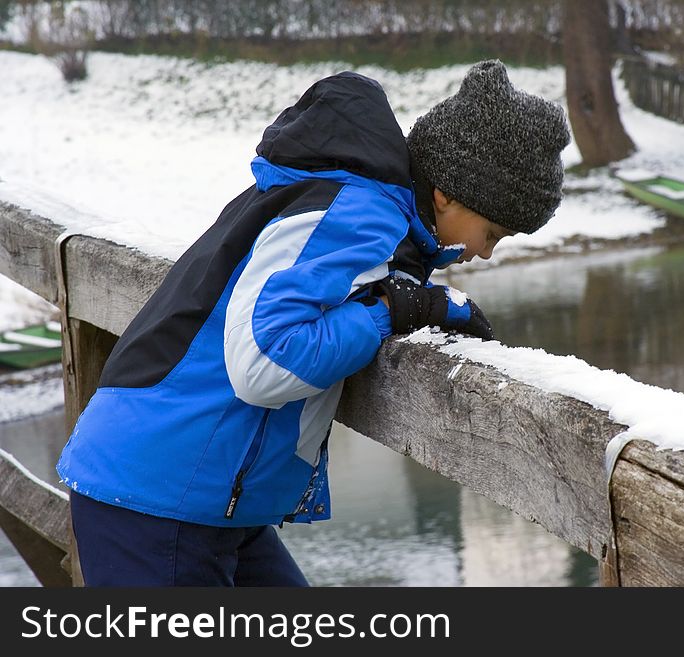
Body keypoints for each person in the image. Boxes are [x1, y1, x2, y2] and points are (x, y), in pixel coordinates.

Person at [56, 59, 570, 586]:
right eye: (494, 232)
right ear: (447, 194)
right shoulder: (358, 212)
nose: (485, 253)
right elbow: (263, 361)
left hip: (199, 496)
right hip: (158, 499)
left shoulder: (356, 202)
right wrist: (391, 312)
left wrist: (417, 301)